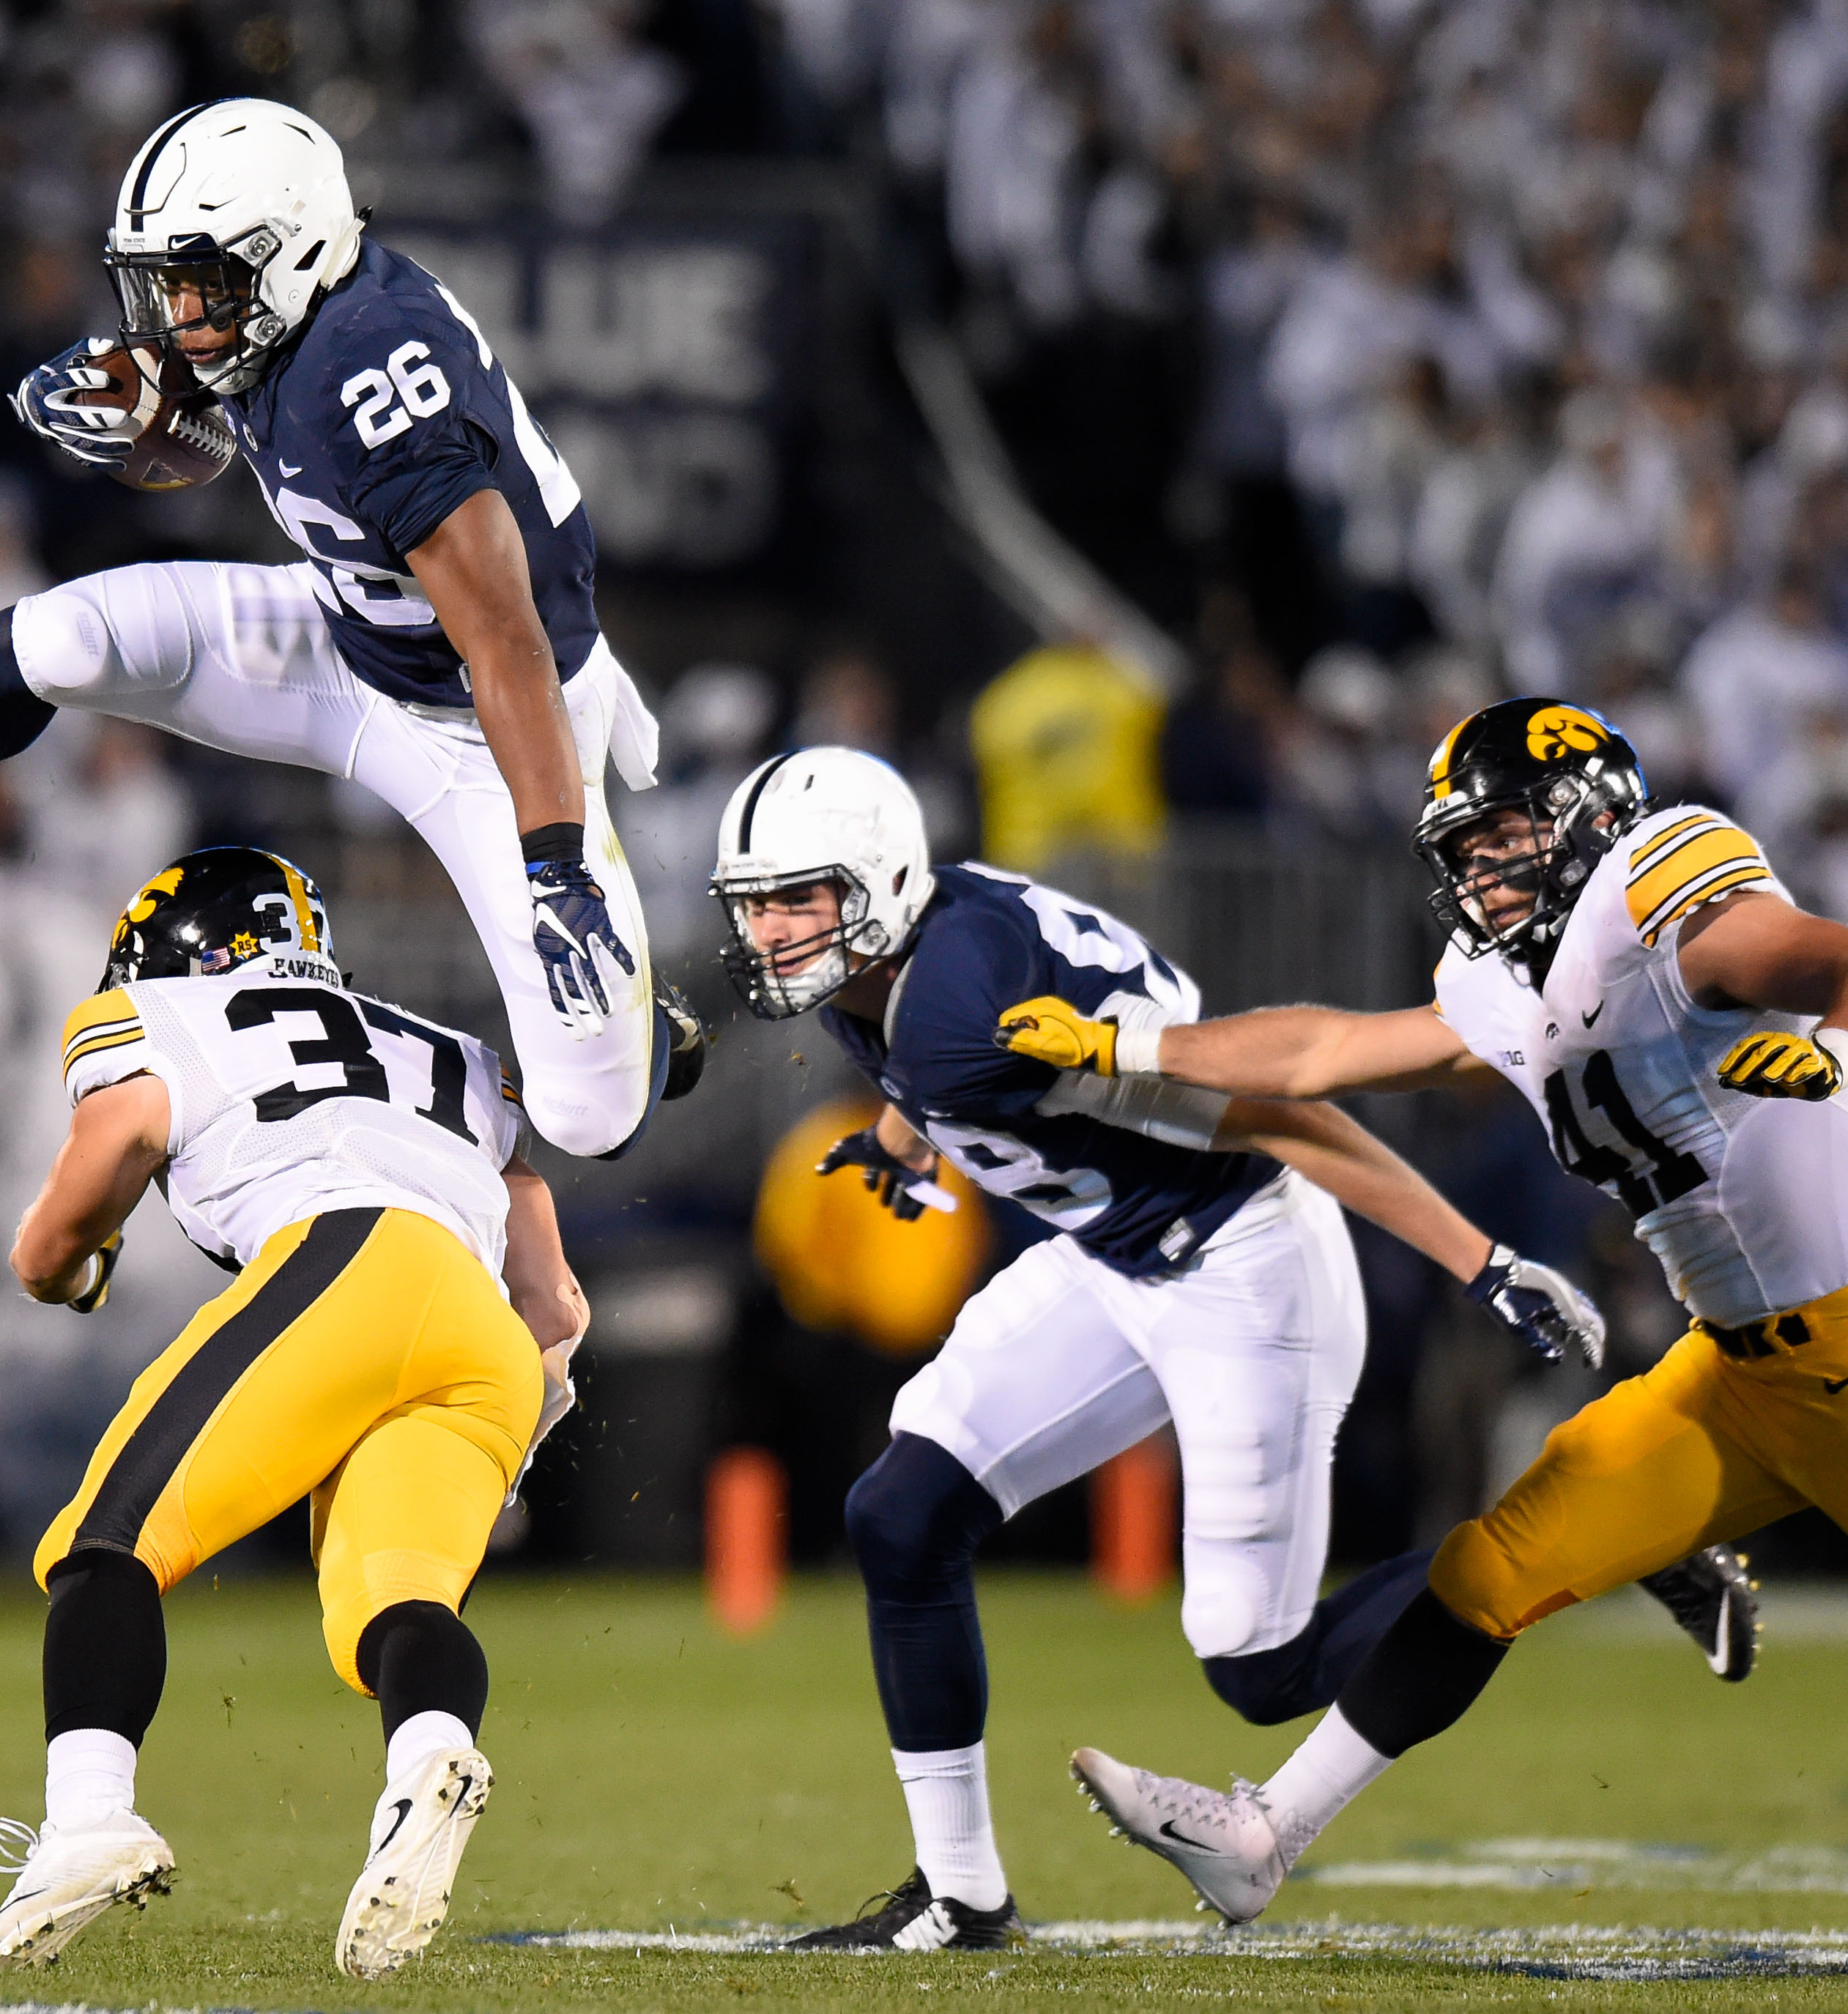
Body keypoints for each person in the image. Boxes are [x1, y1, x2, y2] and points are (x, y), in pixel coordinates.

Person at [710, 746, 1619, 1951]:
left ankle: (1596, 1530)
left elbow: (1288, 1110)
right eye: (755, 905)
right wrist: (903, 1141)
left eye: (795, 900)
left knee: (1264, 1670)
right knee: (900, 1512)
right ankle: (960, 1895)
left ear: (874, 882)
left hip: (1243, 1265)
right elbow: (926, 1066)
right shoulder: (900, 956)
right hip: (1112, 1257)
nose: (770, 931)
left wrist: (1479, 1260)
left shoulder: (962, 1009)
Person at [0, 100, 702, 1162]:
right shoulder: (305, 310)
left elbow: (506, 639)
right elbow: (230, 434)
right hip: (348, 633)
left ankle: (625, 997)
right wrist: (148, 403)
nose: (171, 316)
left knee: (590, 1117)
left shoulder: (372, 371)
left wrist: (557, 869)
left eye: (199, 285)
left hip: (495, 723)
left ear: (290, 252)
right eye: (165, 284)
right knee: (47, 644)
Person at [1004, 699, 1833, 1923]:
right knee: (1486, 1568)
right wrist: (1127, 1043)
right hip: (1740, 1377)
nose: (1479, 873)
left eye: (1500, 838)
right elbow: (1320, 1051)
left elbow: (1822, 960)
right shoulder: (1509, 983)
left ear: (1586, 814)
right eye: (1462, 852)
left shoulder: (1665, 894)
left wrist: (1829, 1048)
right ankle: (1260, 1838)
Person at [0, 847, 582, 1980]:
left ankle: (88, 1816)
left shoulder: (155, 1009)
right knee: (395, 1601)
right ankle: (429, 1759)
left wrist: (59, 1265)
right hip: (484, 1333)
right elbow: (552, 1297)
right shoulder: (451, 1052)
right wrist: (517, 1429)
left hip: (347, 1255)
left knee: (107, 1541)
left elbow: (115, 1142)